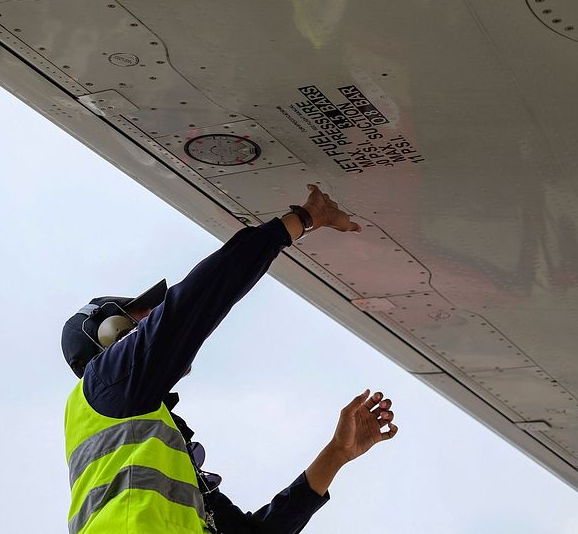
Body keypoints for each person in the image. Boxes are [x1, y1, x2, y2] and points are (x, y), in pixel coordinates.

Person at [60, 184, 398, 533]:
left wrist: (336, 454)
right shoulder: (105, 383)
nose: (155, 318)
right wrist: (303, 219)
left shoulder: (148, 442)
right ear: (111, 335)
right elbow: (199, 298)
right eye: (145, 315)